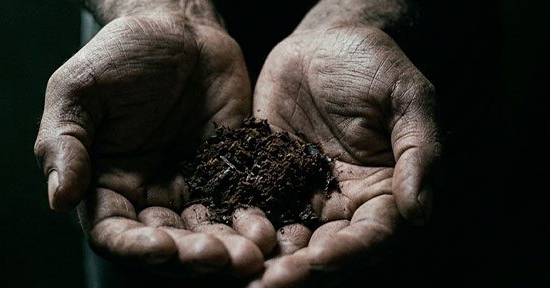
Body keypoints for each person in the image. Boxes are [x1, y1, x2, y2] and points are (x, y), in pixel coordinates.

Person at [33, 0, 441, 286]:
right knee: (151, 264)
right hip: (153, 89)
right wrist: (169, 9)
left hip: (389, 57)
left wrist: (359, 11)